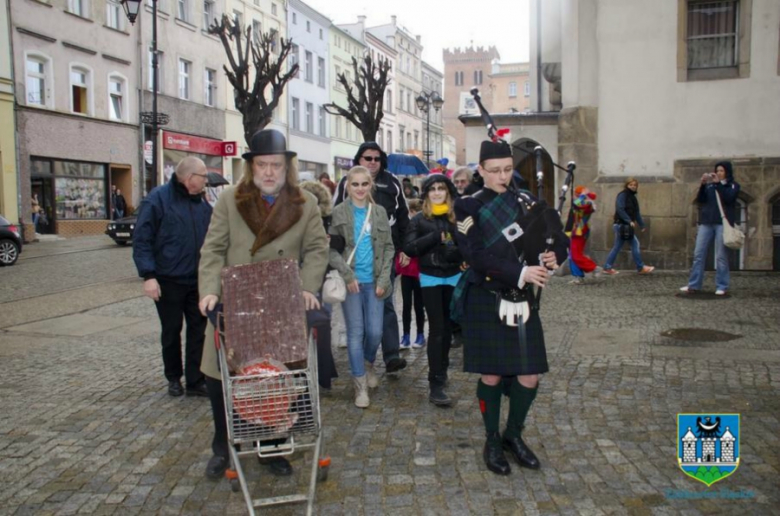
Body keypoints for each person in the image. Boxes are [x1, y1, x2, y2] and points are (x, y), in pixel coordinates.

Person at [198, 129, 329, 480]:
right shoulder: (229, 199)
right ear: (251, 166)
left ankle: (272, 448)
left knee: (279, 379)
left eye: (276, 165)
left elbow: (318, 249)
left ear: (287, 167)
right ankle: (223, 447)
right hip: (236, 302)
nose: (269, 172)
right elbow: (212, 248)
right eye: (262, 165)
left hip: (281, 304)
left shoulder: (306, 203)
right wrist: (209, 289)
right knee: (221, 378)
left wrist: (307, 287)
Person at [453, 139, 568, 476]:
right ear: (481, 171)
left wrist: (552, 254)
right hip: (486, 295)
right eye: (495, 171)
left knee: (529, 375)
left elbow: (556, 235)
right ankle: (491, 438)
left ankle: (513, 435)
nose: (503, 176)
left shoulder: (528, 201)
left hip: (522, 301)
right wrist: (520, 271)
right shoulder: (468, 207)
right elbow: (474, 256)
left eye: (507, 169)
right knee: (490, 372)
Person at [132, 157, 212, 398]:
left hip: (196, 279)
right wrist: (148, 275)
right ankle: (174, 377)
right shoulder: (157, 200)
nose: (206, 181)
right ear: (189, 179)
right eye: (203, 176)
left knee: (198, 330)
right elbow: (142, 239)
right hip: (168, 280)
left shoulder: (202, 205)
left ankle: (195, 380)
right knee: (171, 330)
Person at [334, 142, 408, 374]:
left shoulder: (393, 182)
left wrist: (404, 248)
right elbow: (335, 225)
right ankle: (362, 371)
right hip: (354, 267)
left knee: (385, 308)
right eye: (368, 158)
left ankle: (390, 355)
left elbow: (404, 215)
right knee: (358, 326)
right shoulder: (344, 190)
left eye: (377, 158)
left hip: (383, 258)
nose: (373, 162)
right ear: (359, 160)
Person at [328, 166, 394, 407]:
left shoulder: (379, 212)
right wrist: (347, 275)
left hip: (375, 281)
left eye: (364, 184)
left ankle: (367, 363)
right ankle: (360, 386)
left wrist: (384, 280)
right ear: (347, 186)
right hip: (352, 283)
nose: (359, 189)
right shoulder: (338, 213)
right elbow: (331, 249)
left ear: (370, 186)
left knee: (375, 331)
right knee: (356, 333)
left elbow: (388, 248)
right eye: (354, 184)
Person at [403, 175, 463, 407]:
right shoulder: (419, 219)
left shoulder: (457, 218)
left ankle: (443, 370)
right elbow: (409, 247)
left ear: (448, 192)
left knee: (448, 328)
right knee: (437, 329)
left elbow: (469, 246)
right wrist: (434, 237)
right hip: (430, 278)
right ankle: (435, 382)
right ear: (426, 193)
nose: (437, 193)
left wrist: (457, 253)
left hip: (453, 276)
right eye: (433, 189)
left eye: (442, 189)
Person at [299, 179, 339, 391]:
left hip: (321, 277)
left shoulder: (328, 220)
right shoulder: (295, 219)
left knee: (322, 323)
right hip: (299, 277)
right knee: (304, 327)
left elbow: (339, 244)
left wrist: (329, 241)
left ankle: (324, 370)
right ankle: (311, 371)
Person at [680, 161, 740, 295]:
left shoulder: (733, 185)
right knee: (698, 254)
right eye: (717, 170)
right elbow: (701, 199)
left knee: (721, 256)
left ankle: (722, 286)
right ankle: (694, 284)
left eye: (721, 171)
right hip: (706, 222)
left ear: (727, 172)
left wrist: (719, 184)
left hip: (721, 224)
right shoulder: (711, 186)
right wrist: (702, 185)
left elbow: (729, 198)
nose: (719, 173)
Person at [603, 178, 655, 275]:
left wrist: (642, 225)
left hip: (625, 226)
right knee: (635, 244)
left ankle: (607, 266)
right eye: (631, 184)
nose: (633, 186)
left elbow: (637, 213)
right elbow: (620, 209)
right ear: (627, 185)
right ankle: (640, 267)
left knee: (617, 247)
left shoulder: (633, 198)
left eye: (635, 185)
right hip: (621, 225)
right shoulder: (623, 195)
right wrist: (628, 220)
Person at [397, 199, 425, 350]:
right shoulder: (406, 227)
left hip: (419, 272)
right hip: (407, 272)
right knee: (407, 304)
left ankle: (420, 334)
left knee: (419, 305)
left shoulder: (422, 226)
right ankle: (406, 335)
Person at [568, 186, 601, 284]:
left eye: (576, 194)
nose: (574, 196)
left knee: (575, 255)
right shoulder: (583, 201)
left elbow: (576, 205)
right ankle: (577, 277)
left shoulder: (587, 203)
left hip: (580, 231)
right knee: (572, 255)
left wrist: (582, 196)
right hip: (575, 231)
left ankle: (594, 268)